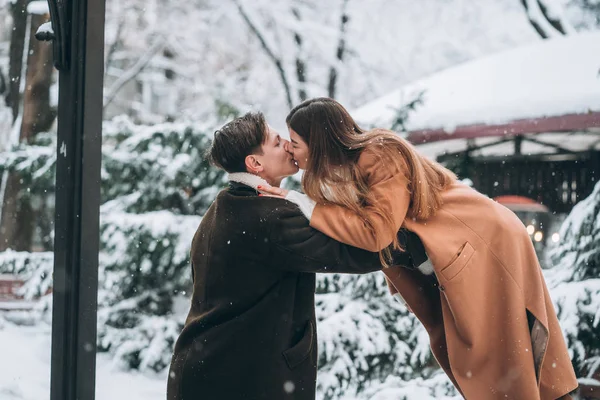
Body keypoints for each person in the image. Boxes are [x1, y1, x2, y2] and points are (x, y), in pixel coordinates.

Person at [260, 97, 579, 400]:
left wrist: (301, 204)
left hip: (483, 241)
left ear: (321, 142)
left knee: (502, 355)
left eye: (295, 141)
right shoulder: (338, 173)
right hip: (453, 252)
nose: (289, 148)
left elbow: (376, 232)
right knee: (482, 356)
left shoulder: (379, 153)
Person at [166, 112, 414, 400]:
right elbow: (351, 252)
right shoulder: (266, 216)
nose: (287, 144)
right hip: (240, 380)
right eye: (275, 142)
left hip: (212, 369)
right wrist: (415, 242)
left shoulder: (227, 205)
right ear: (254, 163)